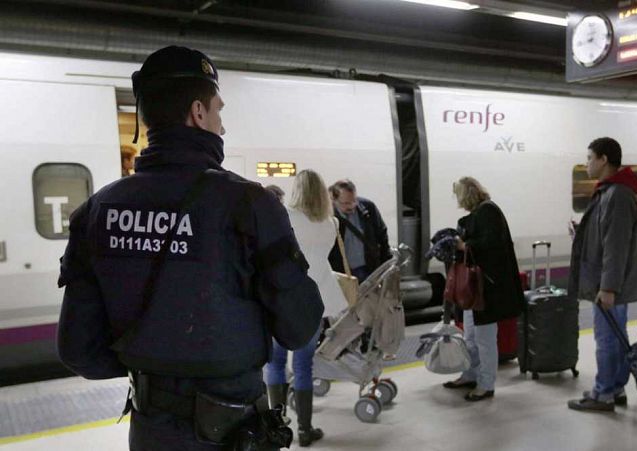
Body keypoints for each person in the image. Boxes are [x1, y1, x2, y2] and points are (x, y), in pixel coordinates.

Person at [56, 46, 324, 451]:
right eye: (219, 110)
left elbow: (80, 351)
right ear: (198, 112)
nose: (222, 126)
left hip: (149, 431)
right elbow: (299, 326)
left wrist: (155, 363)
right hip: (232, 433)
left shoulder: (95, 211)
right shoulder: (249, 204)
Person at [266, 170, 348, 447]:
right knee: (303, 366)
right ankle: (305, 430)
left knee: (275, 362)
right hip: (316, 301)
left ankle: (276, 425)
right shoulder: (331, 223)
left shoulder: (284, 217)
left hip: (284, 299)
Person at [567, 137, 637, 412]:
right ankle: (615, 387)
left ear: (603, 160)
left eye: (589, 157)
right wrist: (583, 233)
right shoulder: (611, 191)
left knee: (607, 339)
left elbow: (617, 245)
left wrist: (608, 287)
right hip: (609, 280)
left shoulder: (617, 195)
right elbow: (607, 236)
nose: (586, 163)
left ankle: (603, 394)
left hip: (609, 283)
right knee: (614, 334)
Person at [442, 177, 524, 402]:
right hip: (474, 289)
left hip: (487, 290)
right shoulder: (481, 213)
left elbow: (490, 245)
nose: (457, 201)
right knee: (470, 335)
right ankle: (471, 374)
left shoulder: (488, 212)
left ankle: (486, 384)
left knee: (485, 339)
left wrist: (463, 245)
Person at [327, 179, 391, 282]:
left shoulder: (368, 208)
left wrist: (385, 263)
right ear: (334, 200)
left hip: (369, 269)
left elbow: (382, 234)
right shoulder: (328, 217)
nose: (352, 206)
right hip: (343, 273)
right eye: (346, 203)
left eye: (353, 201)